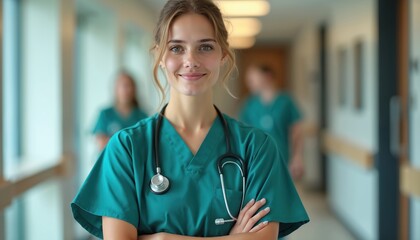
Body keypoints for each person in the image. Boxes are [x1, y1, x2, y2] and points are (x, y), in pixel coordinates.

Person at [71, 0, 309, 239]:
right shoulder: (126, 148)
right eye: (176, 48)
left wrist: (163, 238)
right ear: (159, 55)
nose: (191, 60)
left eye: (205, 47)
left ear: (223, 55)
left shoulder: (257, 148)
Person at [239, 64, 305, 180]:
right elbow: (243, 134)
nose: (249, 83)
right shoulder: (250, 103)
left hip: (282, 157)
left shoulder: (286, 102)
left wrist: (297, 157)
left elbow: (297, 132)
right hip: (256, 160)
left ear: (267, 77)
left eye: (253, 79)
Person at [92, 70, 148, 150]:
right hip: (110, 161)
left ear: (134, 89)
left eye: (128, 86)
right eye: (122, 86)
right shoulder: (105, 114)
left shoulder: (142, 116)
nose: (125, 90)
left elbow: (145, 144)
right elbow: (101, 144)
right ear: (115, 89)